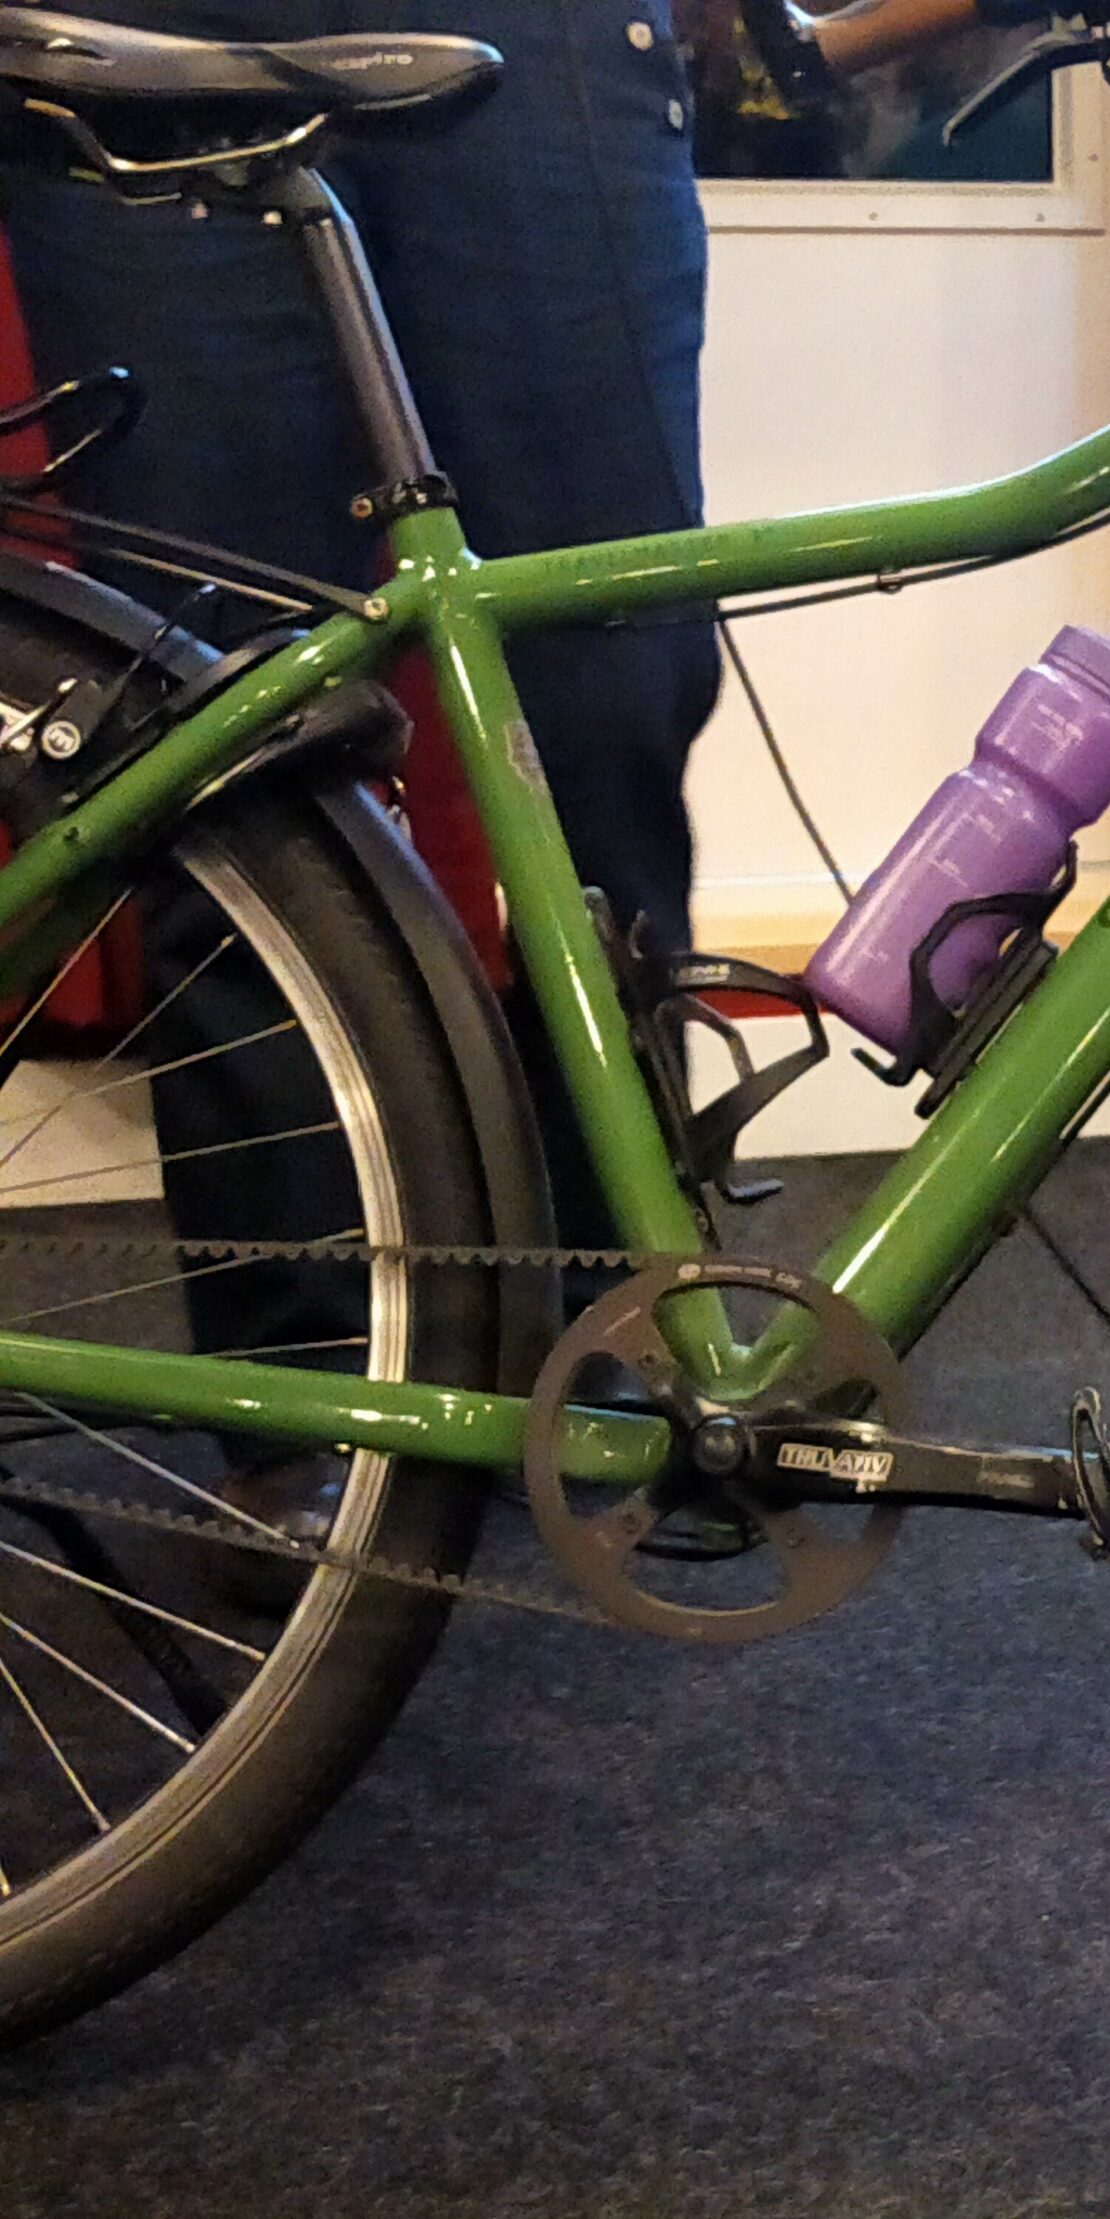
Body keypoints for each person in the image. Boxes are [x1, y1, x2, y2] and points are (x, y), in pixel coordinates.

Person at [0, 0, 723, 1552]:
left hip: (547, 50)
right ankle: (304, 1371)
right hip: (144, 31)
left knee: (614, 687)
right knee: (222, 736)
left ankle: (606, 1303)